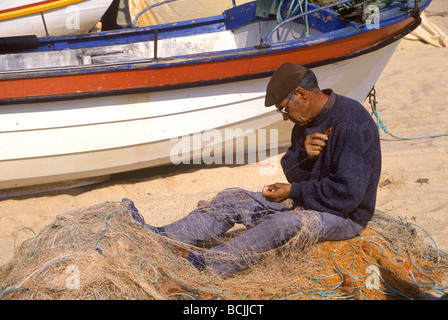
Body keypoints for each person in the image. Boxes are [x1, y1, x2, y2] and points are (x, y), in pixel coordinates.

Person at [129, 62, 382, 278]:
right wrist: (304, 156)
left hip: (346, 217)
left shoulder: (351, 122)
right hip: (314, 202)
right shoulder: (304, 121)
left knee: (279, 224)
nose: (284, 116)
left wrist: (294, 191)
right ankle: (163, 237)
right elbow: (291, 169)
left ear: (302, 94)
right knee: (232, 198)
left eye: (284, 108)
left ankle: (207, 264)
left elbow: (348, 196)